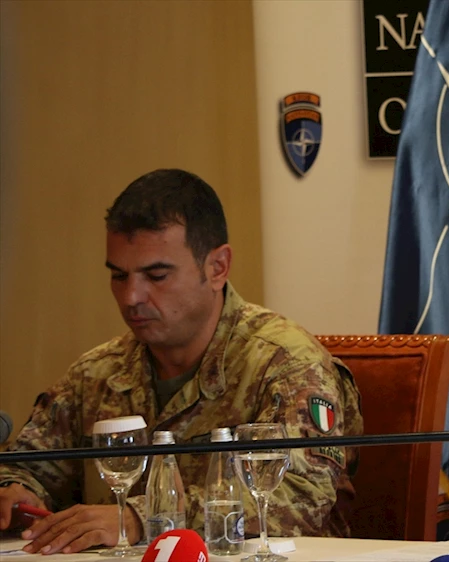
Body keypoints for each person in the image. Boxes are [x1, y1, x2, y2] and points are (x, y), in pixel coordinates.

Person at [0, 169, 363, 554]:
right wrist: (15, 491)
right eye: (119, 276)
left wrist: (143, 518)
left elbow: (300, 499)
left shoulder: (284, 362)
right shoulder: (96, 374)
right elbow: (27, 466)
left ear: (217, 268)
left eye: (156, 275)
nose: (131, 297)